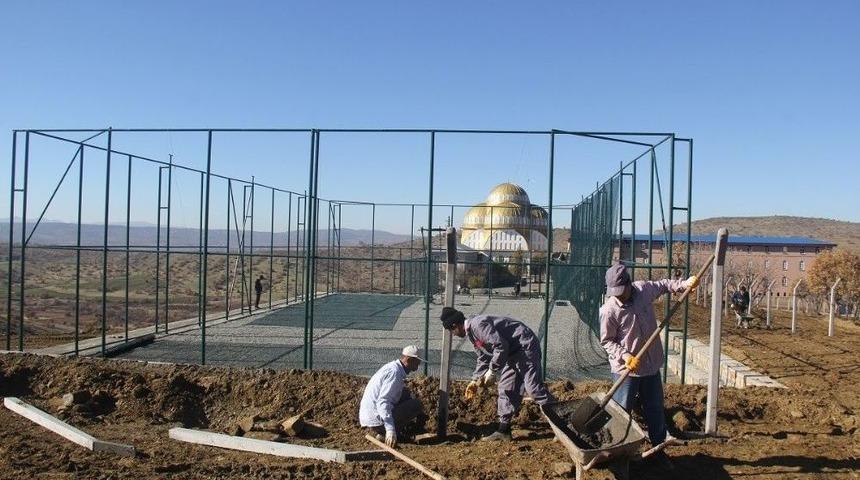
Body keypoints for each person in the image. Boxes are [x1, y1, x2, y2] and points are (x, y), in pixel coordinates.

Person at [599, 263, 697, 449]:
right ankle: (616, 448)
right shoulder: (609, 310)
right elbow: (607, 341)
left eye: (621, 290)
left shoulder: (643, 290)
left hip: (650, 364)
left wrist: (683, 284)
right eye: (615, 292)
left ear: (629, 284)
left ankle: (658, 445)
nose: (619, 295)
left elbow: (663, 285)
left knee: (655, 407)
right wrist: (625, 356)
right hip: (626, 369)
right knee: (622, 410)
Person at [440, 307, 555, 441]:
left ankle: (564, 423)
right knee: (506, 387)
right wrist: (475, 380)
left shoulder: (477, 325)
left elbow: (500, 345)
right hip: (512, 353)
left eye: (451, 331)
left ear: (455, 325)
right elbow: (483, 357)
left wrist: (492, 371)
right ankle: (503, 430)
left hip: (524, 347)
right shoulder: (472, 333)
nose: (453, 334)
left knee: (533, 389)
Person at [359, 345, 426, 447]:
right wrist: (390, 429)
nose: (418, 365)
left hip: (369, 417)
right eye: (417, 362)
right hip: (376, 419)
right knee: (416, 405)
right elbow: (383, 402)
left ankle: (386, 432)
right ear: (409, 360)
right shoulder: (394, 374)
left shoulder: (392, 367)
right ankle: (387, 433)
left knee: (405, 393)